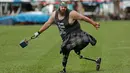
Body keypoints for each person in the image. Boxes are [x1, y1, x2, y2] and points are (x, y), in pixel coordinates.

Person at [32, 2, 101, 73]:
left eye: (65, 7)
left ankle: (74, 53)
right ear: (59, 7)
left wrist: (94, 23)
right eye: (62, 7)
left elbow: (83, 18)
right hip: (66, 38)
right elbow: (48, 23)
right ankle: (64, 69)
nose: (63, 9)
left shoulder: (72, 13)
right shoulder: (54, 14)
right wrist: (38, 32)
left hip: (77, 34)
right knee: (65, 51)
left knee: (67, 47)